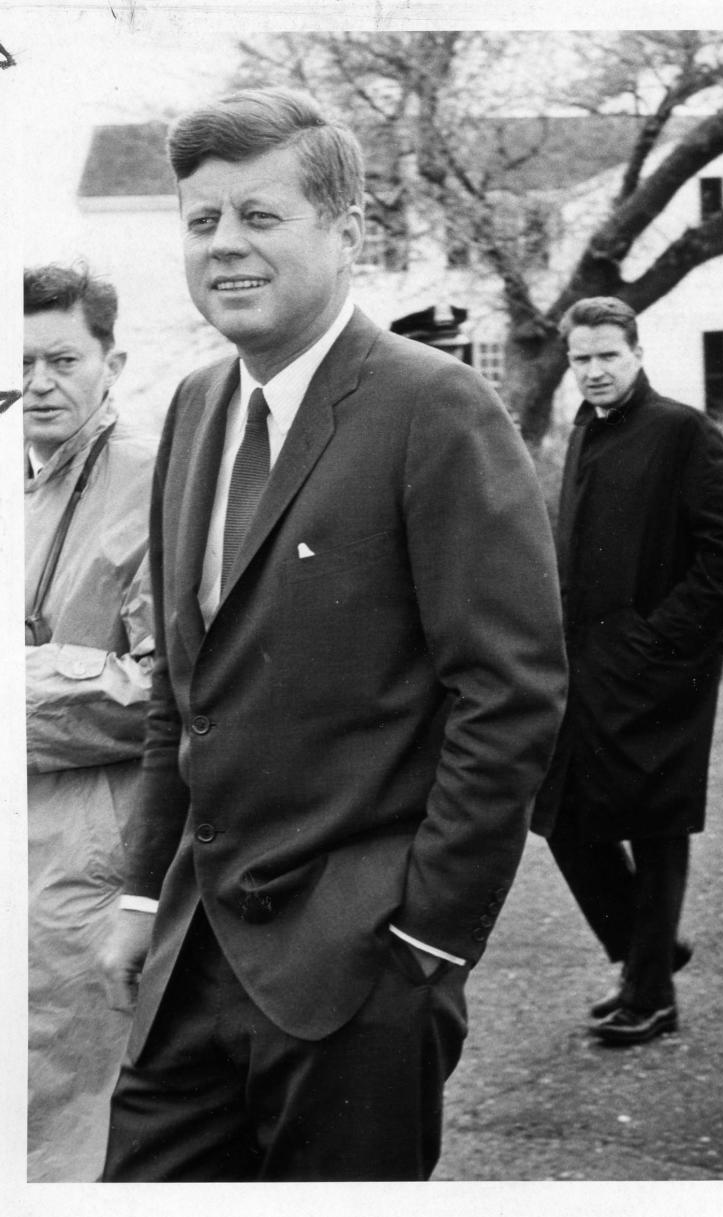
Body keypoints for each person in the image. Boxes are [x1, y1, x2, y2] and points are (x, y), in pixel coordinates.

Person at [99, 87, 567, 1182]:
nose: (224, 246)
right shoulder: (195, 408)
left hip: (355, 977)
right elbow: (184, 682)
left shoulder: (432, 407)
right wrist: (137, 895)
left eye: (260, 217)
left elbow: (509, 693)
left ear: (346, 234)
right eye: (202, 221)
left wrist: (426, 945)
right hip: (188, 963)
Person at [531, 297, 723, 1046]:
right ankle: (645, 948)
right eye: (581, 359)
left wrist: (657, 641)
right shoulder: (587, 433)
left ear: (636, 352)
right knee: (559, 811)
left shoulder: (681, 431)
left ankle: (651, 992)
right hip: (588, 667)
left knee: (656, 823)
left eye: (608, 356)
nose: (594, 371)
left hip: (662, 669)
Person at [24, 264, 156, 1181]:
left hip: (84, 862)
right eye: (18, 359)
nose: (37, 382)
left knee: (75, 1136)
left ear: (113, 361)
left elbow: (171, 690)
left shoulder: (153, 481)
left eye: (62, 358)